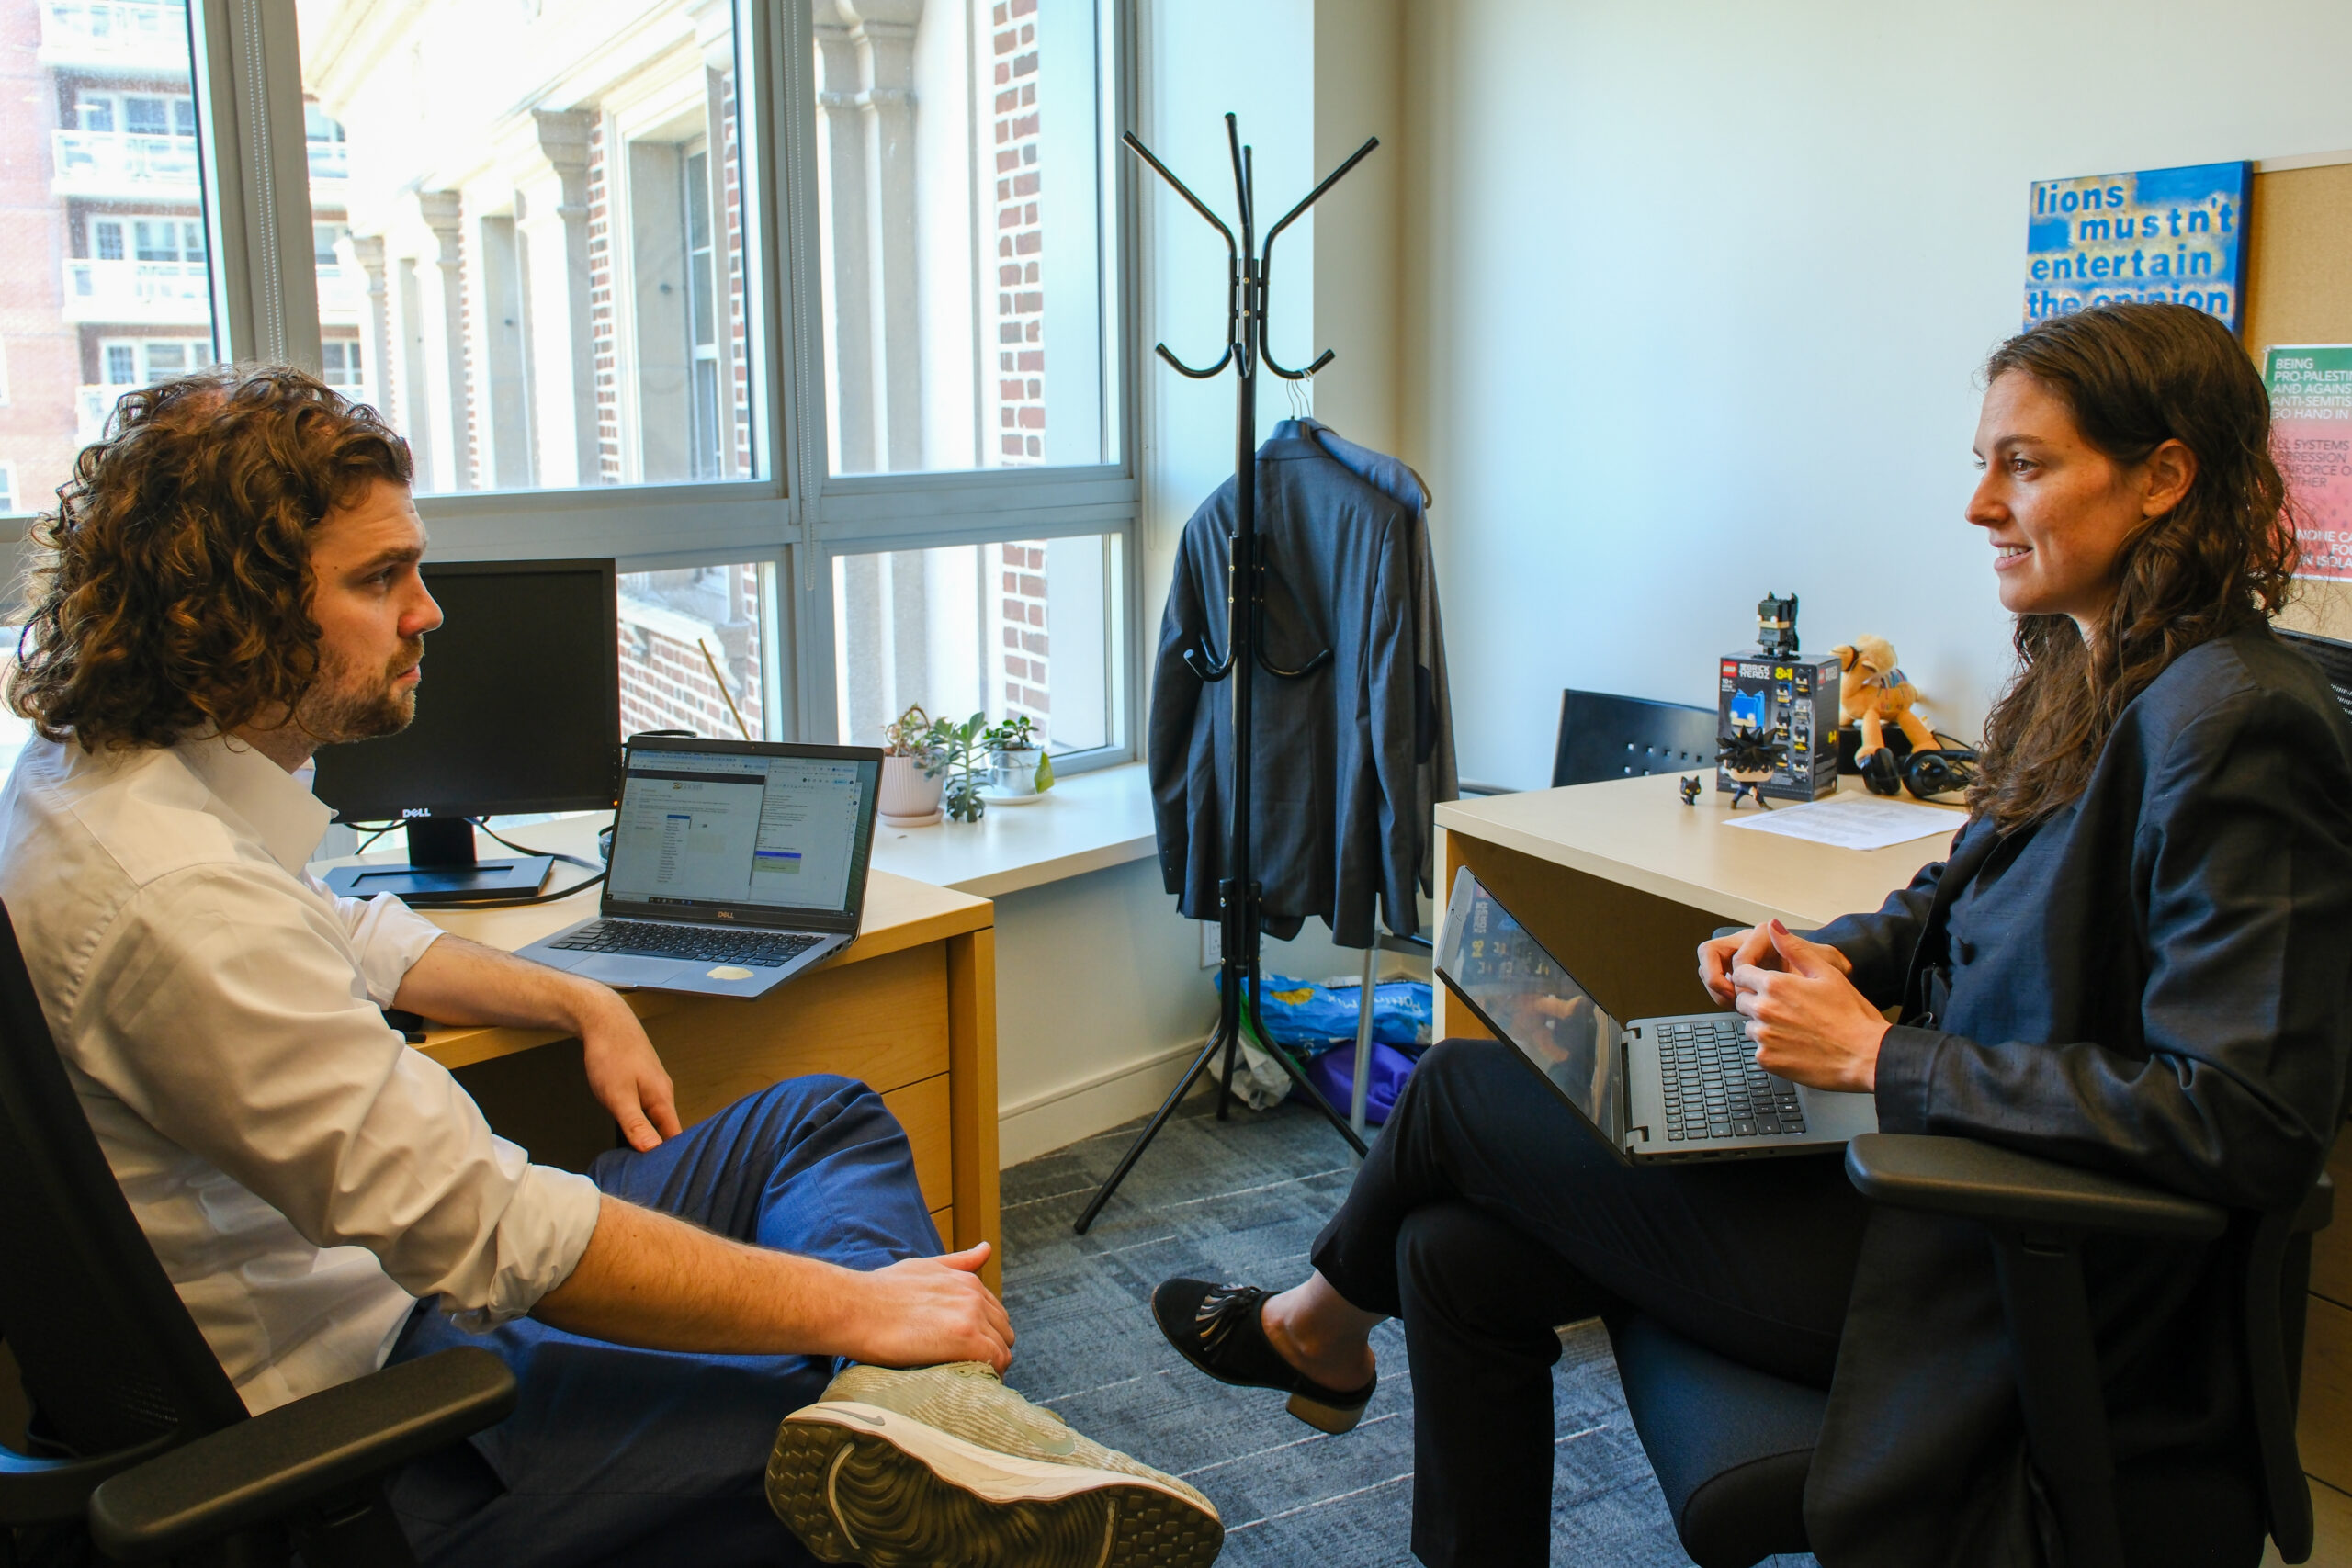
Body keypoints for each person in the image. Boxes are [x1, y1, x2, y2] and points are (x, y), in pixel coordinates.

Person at [1149, 300, 2352, 1565]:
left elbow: (2248, 1121)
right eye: (1984, 462)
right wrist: (1835, 955)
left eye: (2026, 464)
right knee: (1452, 1254)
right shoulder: (2097, 672)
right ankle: (1326, 1341)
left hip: (2001, 1268)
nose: (1981, 506)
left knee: (1451, 1092)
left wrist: (1878, 1059)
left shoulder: (2238, 726)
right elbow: (1961, 900)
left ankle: (1312, 1331)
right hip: (1914, 1167)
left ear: (2166, 477)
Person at [0, 367, 1219, 1568]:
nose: (428, 611)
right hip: (386, 1425)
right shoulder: (174, 899)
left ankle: (907, 1412)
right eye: (379, 581)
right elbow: (494, 1232)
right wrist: (860, 1311)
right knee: (807, 1390)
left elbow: (345, 930)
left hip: (402, 1295)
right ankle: (903, 1408)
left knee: (819, 1120)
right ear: (229, 614)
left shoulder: (115, 781)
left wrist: (573, 993)